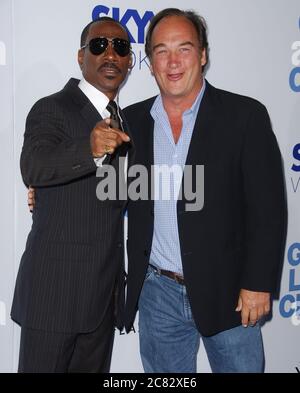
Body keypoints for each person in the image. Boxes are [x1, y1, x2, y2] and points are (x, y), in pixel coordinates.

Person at [123, 8, 286, 373]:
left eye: (184, 48)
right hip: (158, 293)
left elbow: (268, 209)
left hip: (230, 292)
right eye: (161, 51)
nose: (173, 61)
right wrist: (51, 189)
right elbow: (109, 189)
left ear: (203, 54)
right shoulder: (131, 122)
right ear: (150, 63)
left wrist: (258, 284)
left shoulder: (245, 116)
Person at [11, 17, 133, 373]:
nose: (110, 54)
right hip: (54, 299)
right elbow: (33, 165)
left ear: (129, 62)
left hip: (102, 303)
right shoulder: (52, 108)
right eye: (99, 45)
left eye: (121, 47)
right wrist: (89, 148)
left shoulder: (127, 121)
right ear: (81, 57)